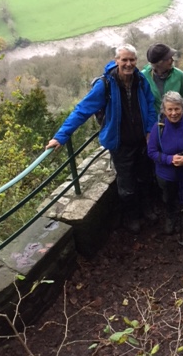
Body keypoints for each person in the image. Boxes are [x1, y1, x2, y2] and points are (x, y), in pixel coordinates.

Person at [46, 44, 157, 235]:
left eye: (132, 60)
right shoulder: (105, 84)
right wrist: (61, 136)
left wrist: (150, 131)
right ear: (116, 61)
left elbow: (150, 105)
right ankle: (131, 216)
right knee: (126, 183)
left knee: (144, 176)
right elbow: (82, 110)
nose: (128, 64)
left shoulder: (140, 80)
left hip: (142, 140)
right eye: (124, 60)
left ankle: (146, 208)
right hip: (120, 143)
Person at [147, 91, 183, 239]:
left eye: (177, 109)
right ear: (164, 110)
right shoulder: (158, 128)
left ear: (182, 108)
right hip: (167, 174)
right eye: (170, 109)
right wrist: (169, 159)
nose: (174, 113)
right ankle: (171, 218)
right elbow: (152, 151)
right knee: (169, 198)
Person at [141, 43, 183, 114]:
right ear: (159, 63)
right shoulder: (143, 76)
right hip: (153, 122)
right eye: (168, 58)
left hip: (174, 119)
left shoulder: (178, 75)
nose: (172, 60)